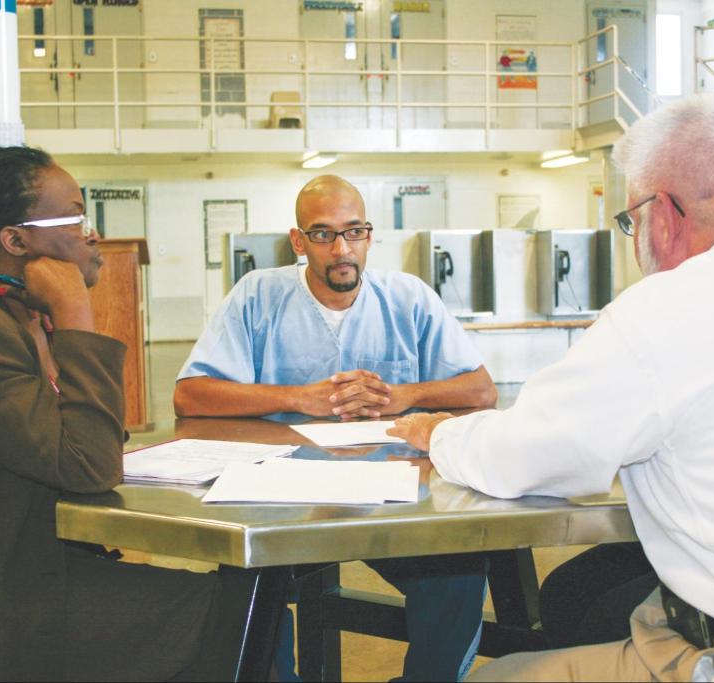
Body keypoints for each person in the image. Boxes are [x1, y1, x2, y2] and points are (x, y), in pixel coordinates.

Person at [390, 94, 714, 682]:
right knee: (577, 595)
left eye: (630, 221)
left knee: (494, 676)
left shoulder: (671, 307)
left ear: (662, 214)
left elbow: (525, 456)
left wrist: (439, 435)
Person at [0, 147, 242, 680]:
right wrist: (77, 310)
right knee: (235, 614)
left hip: (14, 569)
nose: (91, 232)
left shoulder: (14, 320)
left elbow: (77, 446)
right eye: (76, 216)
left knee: (241, 606)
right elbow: (88, 464)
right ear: (15, 240)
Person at [174, 174, 498, 681]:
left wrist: (405, 395)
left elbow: (480, 390)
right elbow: (191, 394)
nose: (341, 248)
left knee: (457, 571)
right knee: (250, 586)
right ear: (298, 242)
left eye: (354, 232)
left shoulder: (407, 298)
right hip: (282, 498)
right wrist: (299, 398)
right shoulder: (258, 296)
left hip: (390, 498)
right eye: (323, 234)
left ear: (370, 236)